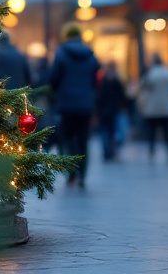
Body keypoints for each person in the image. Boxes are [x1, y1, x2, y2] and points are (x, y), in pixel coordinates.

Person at [49, 25, 101, 187]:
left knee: (67, 138)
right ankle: (83, 175)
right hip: (85, 105)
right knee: (83, 139)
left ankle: (71, 172)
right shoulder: (90, 54)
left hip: (67, 105)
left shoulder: (61, 53)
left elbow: (53, 78)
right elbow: (96, 78)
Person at [139, 52, 168, 159]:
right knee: (167, 130)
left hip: (152, 107)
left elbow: (143, 87)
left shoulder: (150, 73)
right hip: (166, 106)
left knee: (152, 131)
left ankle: (152, 149)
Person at [95, 62, 128, 161]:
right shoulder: (115, 82)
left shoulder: (103, 82)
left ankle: (108, 151)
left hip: (107, 111)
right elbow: (123, 97)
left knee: (107, 132)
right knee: (111, 132)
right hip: (113, 111)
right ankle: (110, 151)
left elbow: (98, 98)